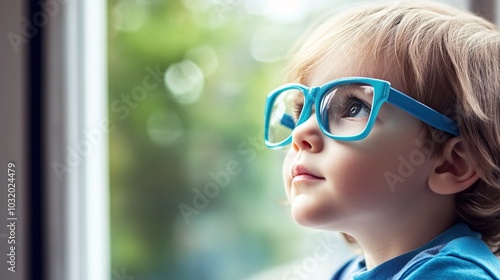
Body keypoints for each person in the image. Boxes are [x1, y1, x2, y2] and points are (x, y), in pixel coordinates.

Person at [263, 1, 500, 279]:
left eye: (354, 108)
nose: (301, 133)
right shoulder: (350, 271)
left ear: (452, 164)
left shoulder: (452, 275)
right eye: (300, 111)